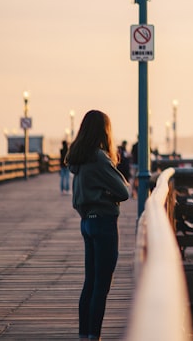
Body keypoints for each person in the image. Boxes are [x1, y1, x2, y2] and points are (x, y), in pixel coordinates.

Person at [68, 110, 131, 341]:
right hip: (104, 223)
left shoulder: (80, 158)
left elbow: (78, 197)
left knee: (90, 284)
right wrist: (106, 193)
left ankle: (85, 335)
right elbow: (123, 191)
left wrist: (99, 193)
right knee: (101, 286)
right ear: (105, 131)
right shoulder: (100, 158)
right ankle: (94, 336)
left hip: (87, 223)